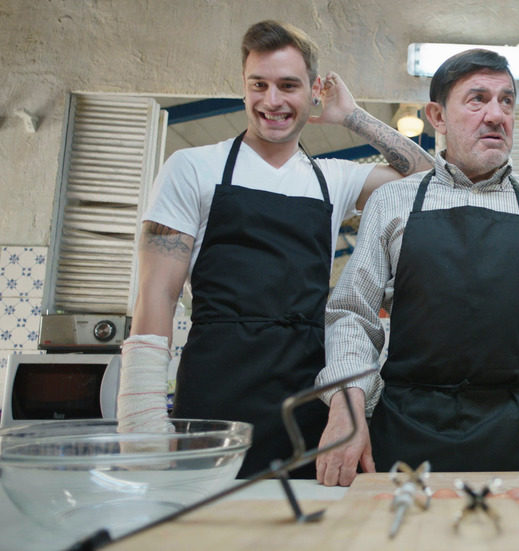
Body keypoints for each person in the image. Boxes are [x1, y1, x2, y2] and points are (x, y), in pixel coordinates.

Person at [314, 48, 519, 486]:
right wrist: (346, 406)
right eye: (477, 99)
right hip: (409, 433)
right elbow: (352, 316)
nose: (496, 115)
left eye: (506, 100)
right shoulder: (393, 201)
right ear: (437, 116)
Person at [116, 20, 432, 478]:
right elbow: (155, 294)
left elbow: (425, 181)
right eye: (258, 85)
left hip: (306, 396)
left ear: (314, 90)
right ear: (243, 89)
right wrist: (142, 417)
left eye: (288, 86)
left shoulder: (332, 179)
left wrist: (352, 117)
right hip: (215, 393)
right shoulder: (193, 168)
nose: (272, 101)